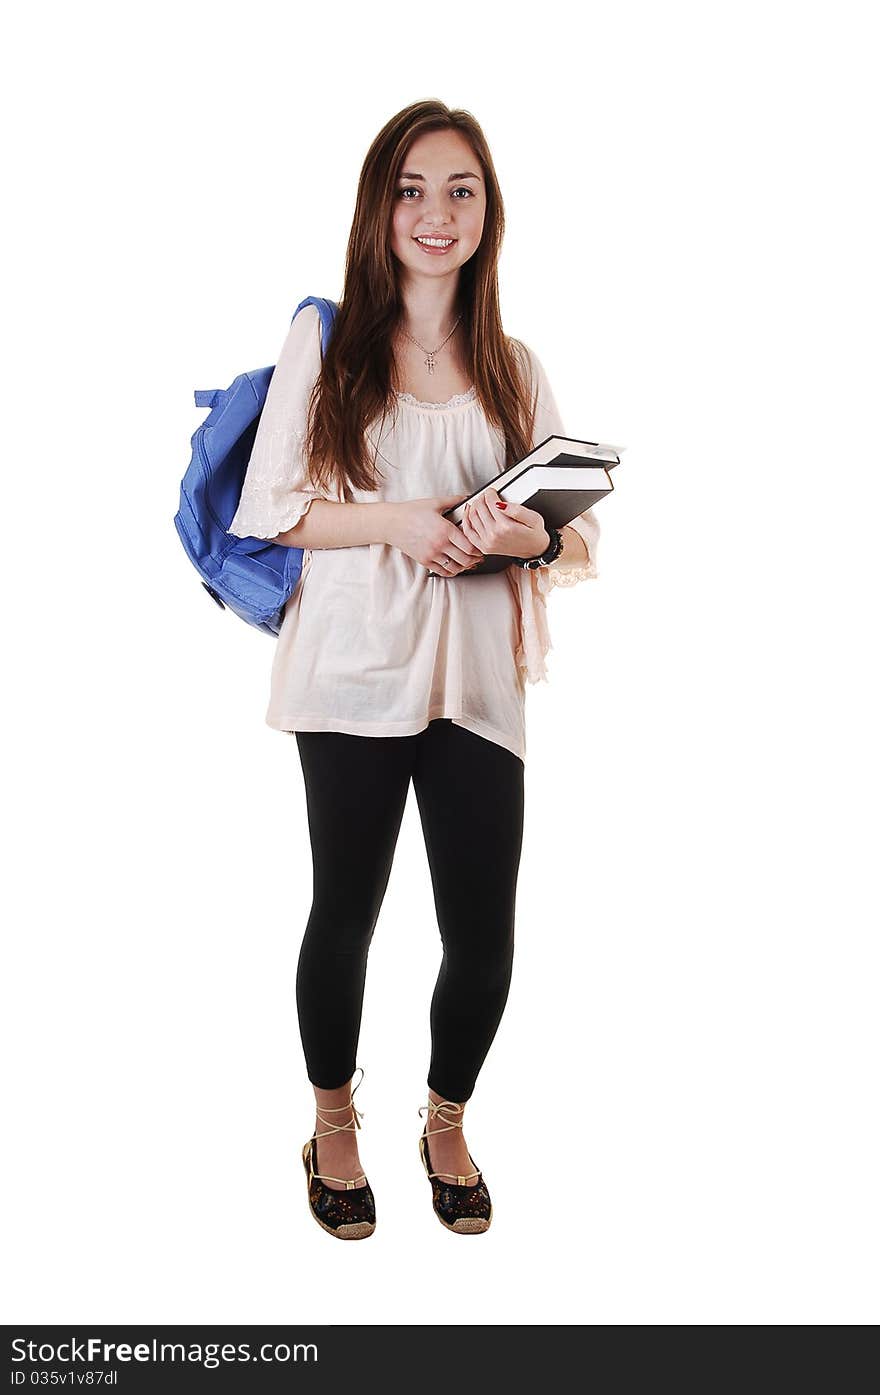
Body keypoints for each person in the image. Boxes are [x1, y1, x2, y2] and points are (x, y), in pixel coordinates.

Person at [227, 100, 601, 1240]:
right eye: (411, 189)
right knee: (345, 910)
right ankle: (333, 1120)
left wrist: (511, 535)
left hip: (475, 681)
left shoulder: (513, 366)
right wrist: (407, 521)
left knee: (483, 930)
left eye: (460, 191)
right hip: (350, 671)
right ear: (378, 208)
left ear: (488, 213)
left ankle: (445, 1117)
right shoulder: (327, 345)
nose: (435, 214)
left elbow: (573, 538)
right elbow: (272, 510)